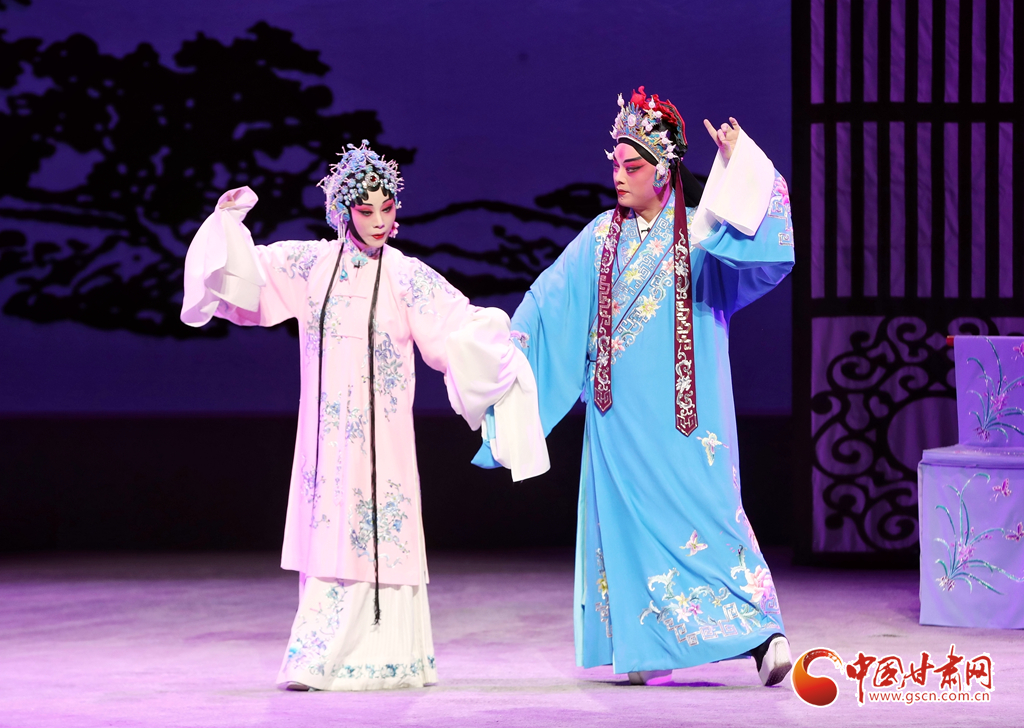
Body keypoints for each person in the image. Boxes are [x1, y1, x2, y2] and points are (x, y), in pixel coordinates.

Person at [180, 141, 547, 691]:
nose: (378, 220)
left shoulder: (406, 276)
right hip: (327, 436)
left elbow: (456, 325)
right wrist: (226, 224)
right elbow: (247, 274)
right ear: (342, 210)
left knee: (381, 528)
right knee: (329, 530)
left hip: (383, 440)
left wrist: (495, 340)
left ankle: (388, 658)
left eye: (387, 208)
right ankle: (317, 657)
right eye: (365, 209)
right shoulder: (311, 265)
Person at [475, 88, 796, 686]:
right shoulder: (601, 236)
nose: (619, 177)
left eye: (633, 166)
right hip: (617, 417)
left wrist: (738, 165)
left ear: (664, 170)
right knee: (627, 527)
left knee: (711, 514)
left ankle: (763, 636)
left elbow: (762, 241)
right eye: (616, 165)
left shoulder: (701, 232)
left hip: (686, 416)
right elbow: (548, 301)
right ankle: (650, 644)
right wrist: (501, 343)